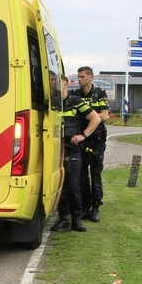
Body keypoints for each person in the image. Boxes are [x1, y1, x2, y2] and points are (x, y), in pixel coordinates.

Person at [52, 74, 102, 232]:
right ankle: (63, 218)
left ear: (65, 84)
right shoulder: (51, 103)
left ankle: (77, 219)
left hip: (73, 149)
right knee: (61, 185)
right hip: (56, 150)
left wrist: (83, 135)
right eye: (51, 81)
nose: (53, 84)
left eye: (56, 81)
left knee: (74, 184)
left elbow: (96, 118)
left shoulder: (75, 102)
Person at [69, 66, 110, 222]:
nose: (80, 80)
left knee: (95, 174)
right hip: (81, 139)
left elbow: (104, 116)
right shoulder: (75, 94)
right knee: (81, 176)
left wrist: (85, 114)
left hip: (96, 140)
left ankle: (96, 207)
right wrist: (91, 114)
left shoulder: (99, 93)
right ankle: (85, 207)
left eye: (83, 77)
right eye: (78, 77)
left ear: (91, 77)